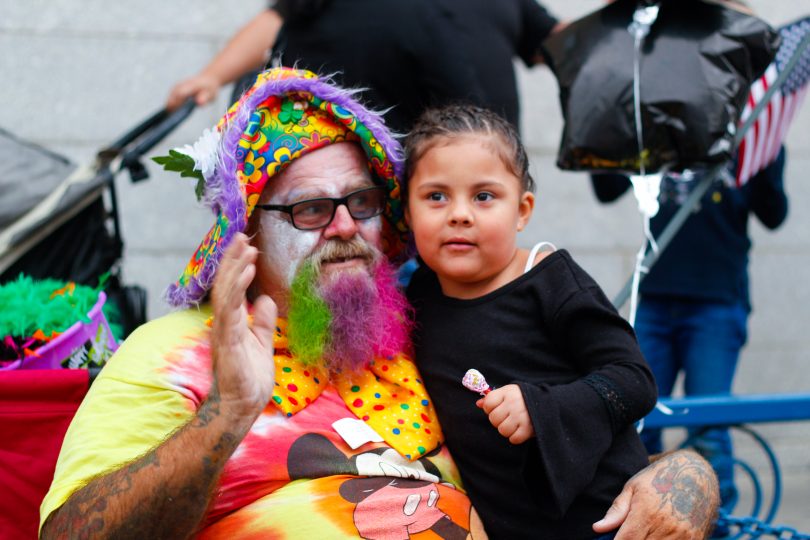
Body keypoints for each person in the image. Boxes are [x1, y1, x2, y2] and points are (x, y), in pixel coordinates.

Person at [41, 68, 718, 539]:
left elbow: (576, 437)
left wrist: (689, 473)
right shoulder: (174, 353)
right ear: (244, 229)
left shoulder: (418, 331)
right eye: (309, 209)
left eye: (361, 203)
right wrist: (225, 416)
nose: (344, 228)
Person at [402, 104, 658, 539]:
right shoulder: (419, 297)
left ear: (522, 210)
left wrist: (541, 407)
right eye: (436, 196)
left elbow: (635, 380)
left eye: (484, 196)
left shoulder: (552, 281)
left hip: (601, 520)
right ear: (407, 214)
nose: (459, 213)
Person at [590, 149, 788, 515]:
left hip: (716, 300)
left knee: (709, 428)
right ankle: (642, 521)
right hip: (655, 297)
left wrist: (763, 155)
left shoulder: (755, 131)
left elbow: (774, 213)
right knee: (640, 421)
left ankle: (718, 526)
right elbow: (607, 186)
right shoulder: (663, 124)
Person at [167, 0, 483, 134]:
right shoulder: (306, 8)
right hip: (304, 194)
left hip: (386, 206)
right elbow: (275, 20)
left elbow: (467, 119)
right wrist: (211, 78)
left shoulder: (424, 15)